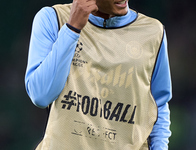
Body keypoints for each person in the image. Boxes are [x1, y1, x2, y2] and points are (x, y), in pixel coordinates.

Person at [25, 0, 172, 149]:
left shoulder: (153, 32)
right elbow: (41, 96)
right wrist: (72, 29)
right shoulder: (53, 18)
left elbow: (158, 105)